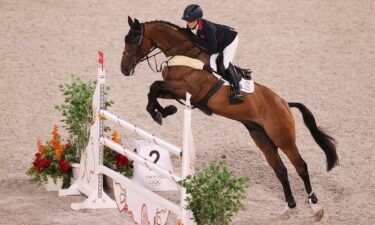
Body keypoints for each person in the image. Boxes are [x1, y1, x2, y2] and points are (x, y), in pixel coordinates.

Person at [182, 4, 244, 104]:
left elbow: (213, 49)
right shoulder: (191, 26)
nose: (188, 23)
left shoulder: (208, 28)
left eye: (190, 21)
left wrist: (194, 39)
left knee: (225, 64)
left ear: (198, 19)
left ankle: (237, 92)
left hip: (229, 40)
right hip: (218, 42)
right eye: (187, 21)